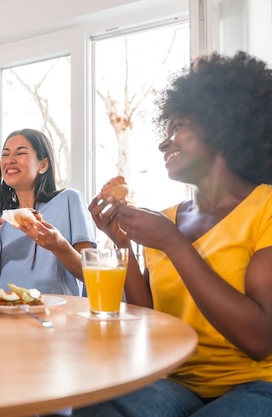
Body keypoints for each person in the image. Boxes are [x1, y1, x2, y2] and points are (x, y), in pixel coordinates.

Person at [74, 51, 272, 416]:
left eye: (179, 126)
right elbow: (148, 315)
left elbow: (259, 339)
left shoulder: (265, 208)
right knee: (93, 404)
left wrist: (173, 242)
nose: (165, 142)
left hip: (255, 384)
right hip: (174, 379)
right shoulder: (165, 219)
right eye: (164, 132)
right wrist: (123, 245)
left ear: (221, 127)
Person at [0, 128, 95, 295]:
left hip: (58, 314)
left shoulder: (69, 200)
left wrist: (59, 245)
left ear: (43, 165)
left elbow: (92, 272)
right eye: (5, 154)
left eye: (20, 153)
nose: (10, 160)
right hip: (8, 313)